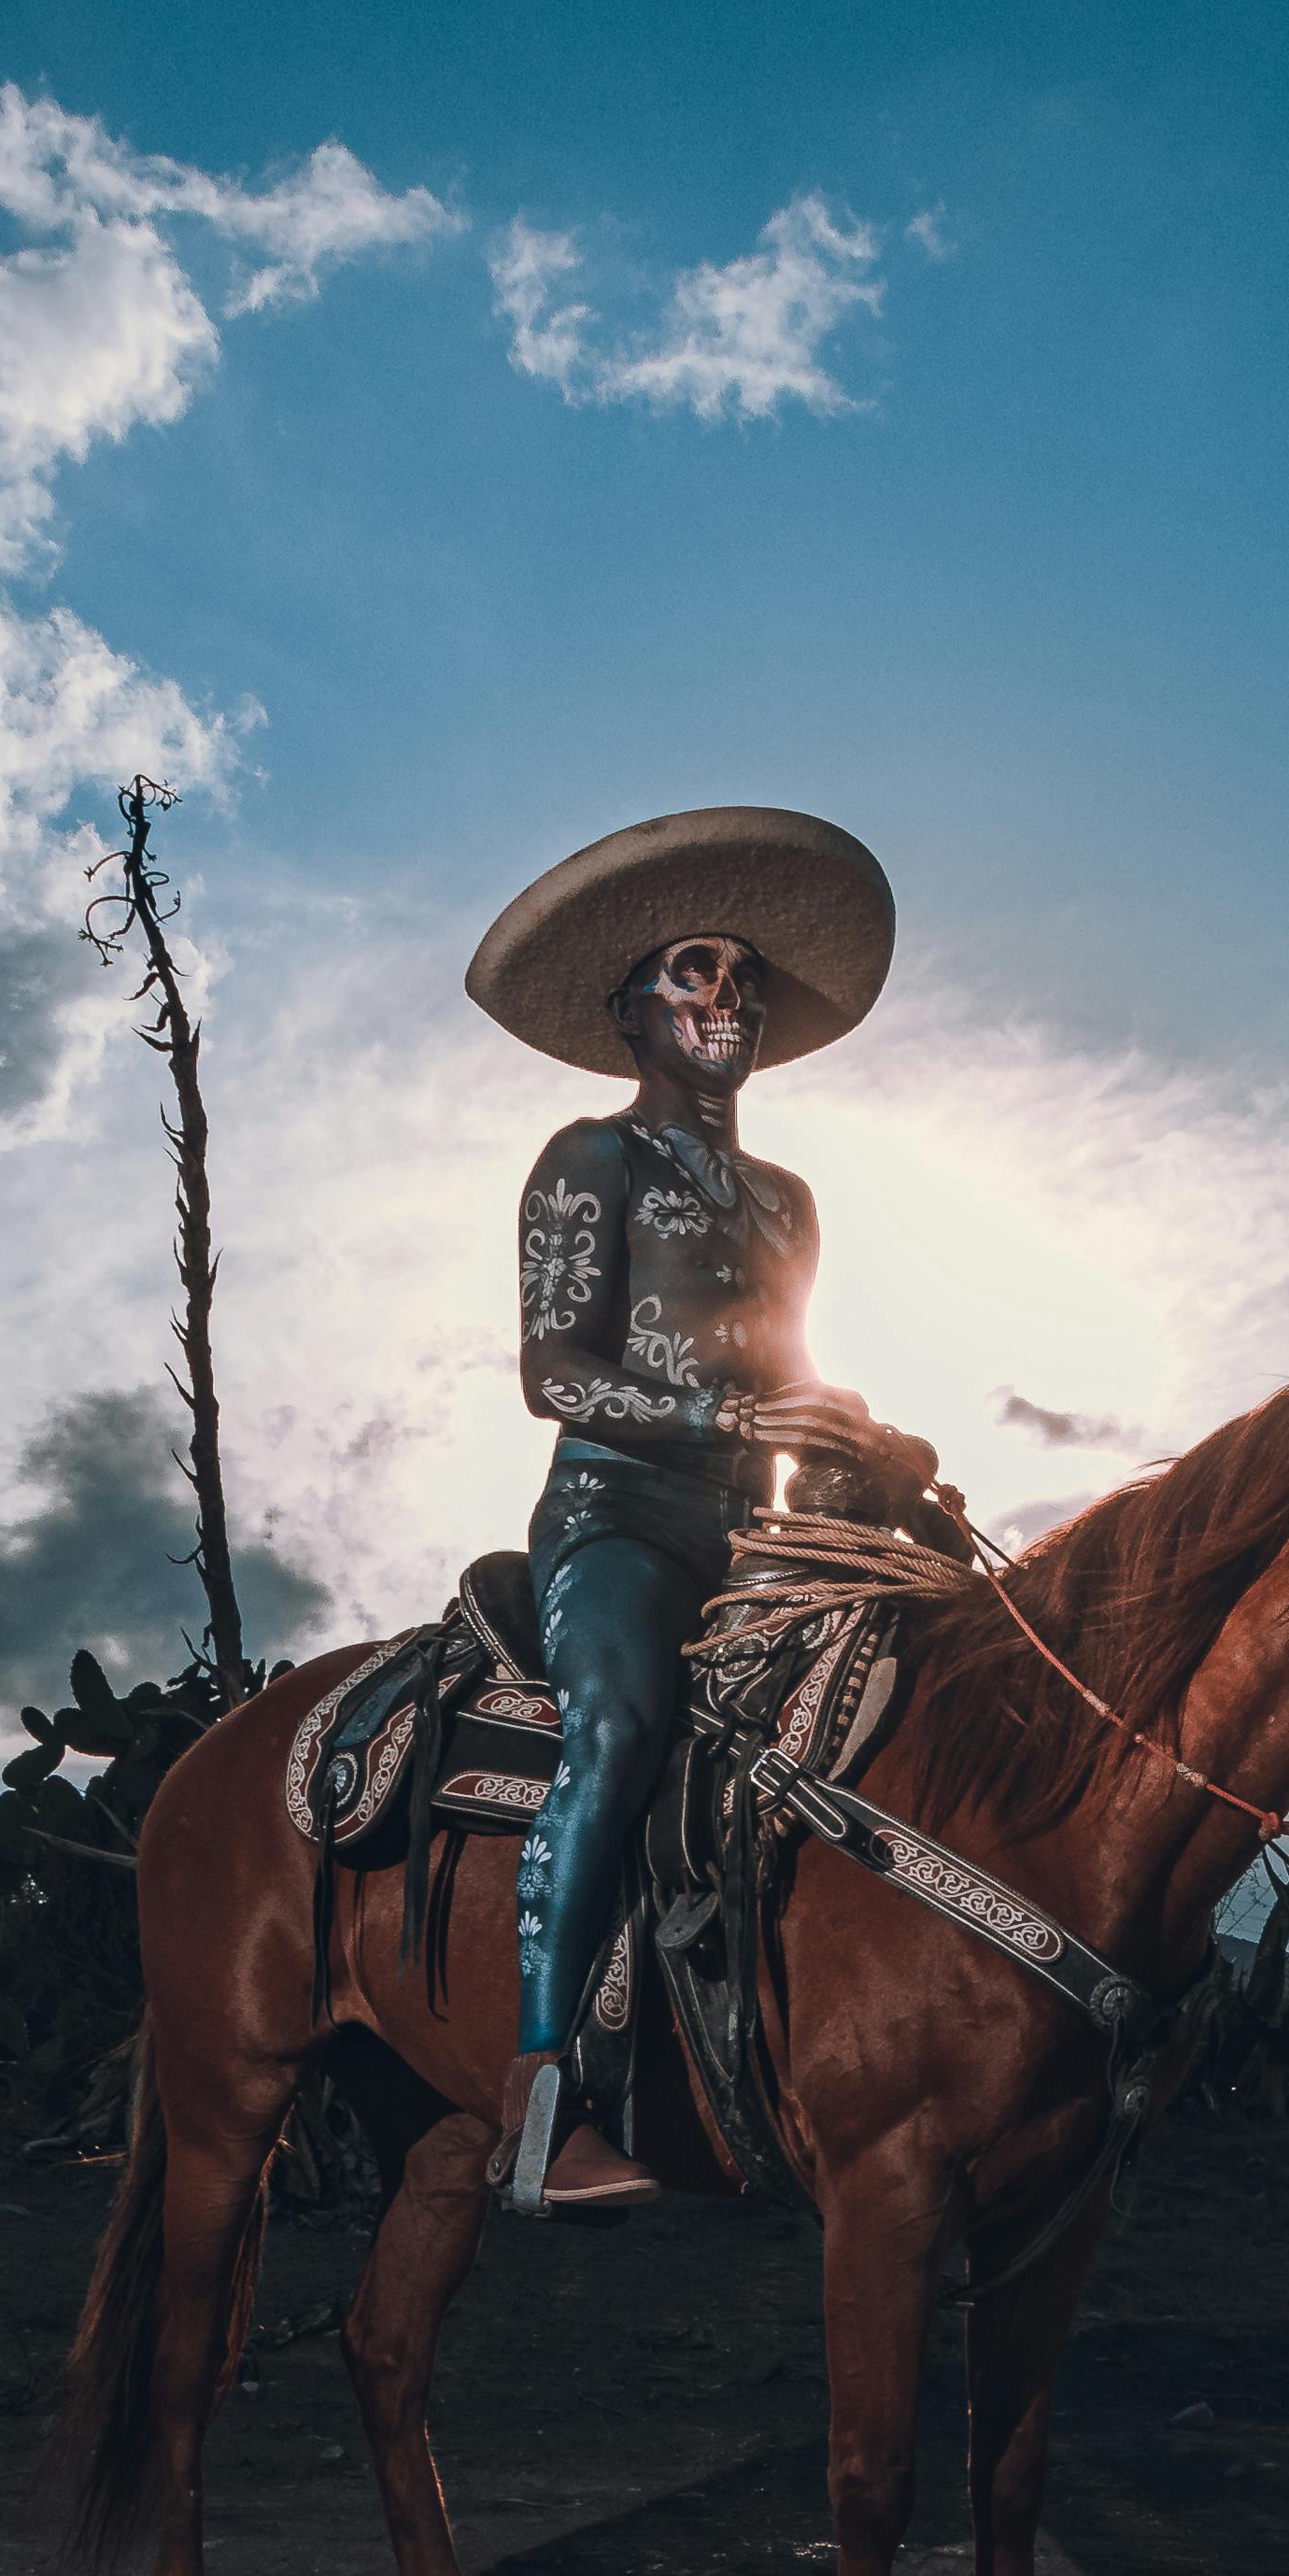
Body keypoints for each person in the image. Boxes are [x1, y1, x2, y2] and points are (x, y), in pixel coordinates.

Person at [460, 806, 935, 2215]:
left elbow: (786, 1368)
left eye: (742, 980)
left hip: (752, 1537)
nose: (724, 997)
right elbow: (552, 1368)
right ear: (632, 1011)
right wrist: (718, 1420)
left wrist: (855, 1435)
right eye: (692, 972)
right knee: (613, 1724)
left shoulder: (790, 1200)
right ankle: (542, 2103)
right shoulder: (588, 1160)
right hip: (615, 1522)